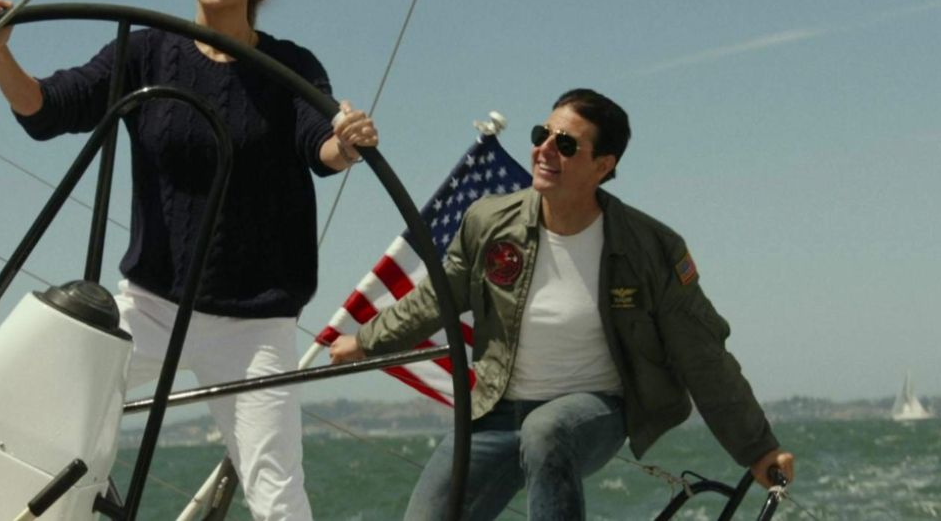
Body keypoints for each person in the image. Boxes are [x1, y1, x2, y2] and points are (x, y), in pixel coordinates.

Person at [0, 0, 376, 521]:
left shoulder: (290, 67)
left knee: (277, 492)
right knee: (39, 412)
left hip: (254, 324)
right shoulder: (148, 54)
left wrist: (345, 143)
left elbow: (317, 146)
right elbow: (50, 109)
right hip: (152, 305)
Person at [330, 88, 793, 520]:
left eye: (566, 144)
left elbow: (702, 351)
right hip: (494, 410)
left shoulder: (651, 248)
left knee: (546, 430)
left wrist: (758, 449)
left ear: (603, 165)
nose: (544, 149)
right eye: (542, 135)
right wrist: (368, 341)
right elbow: (439, 297)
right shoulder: (488, 221)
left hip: (594, 410)